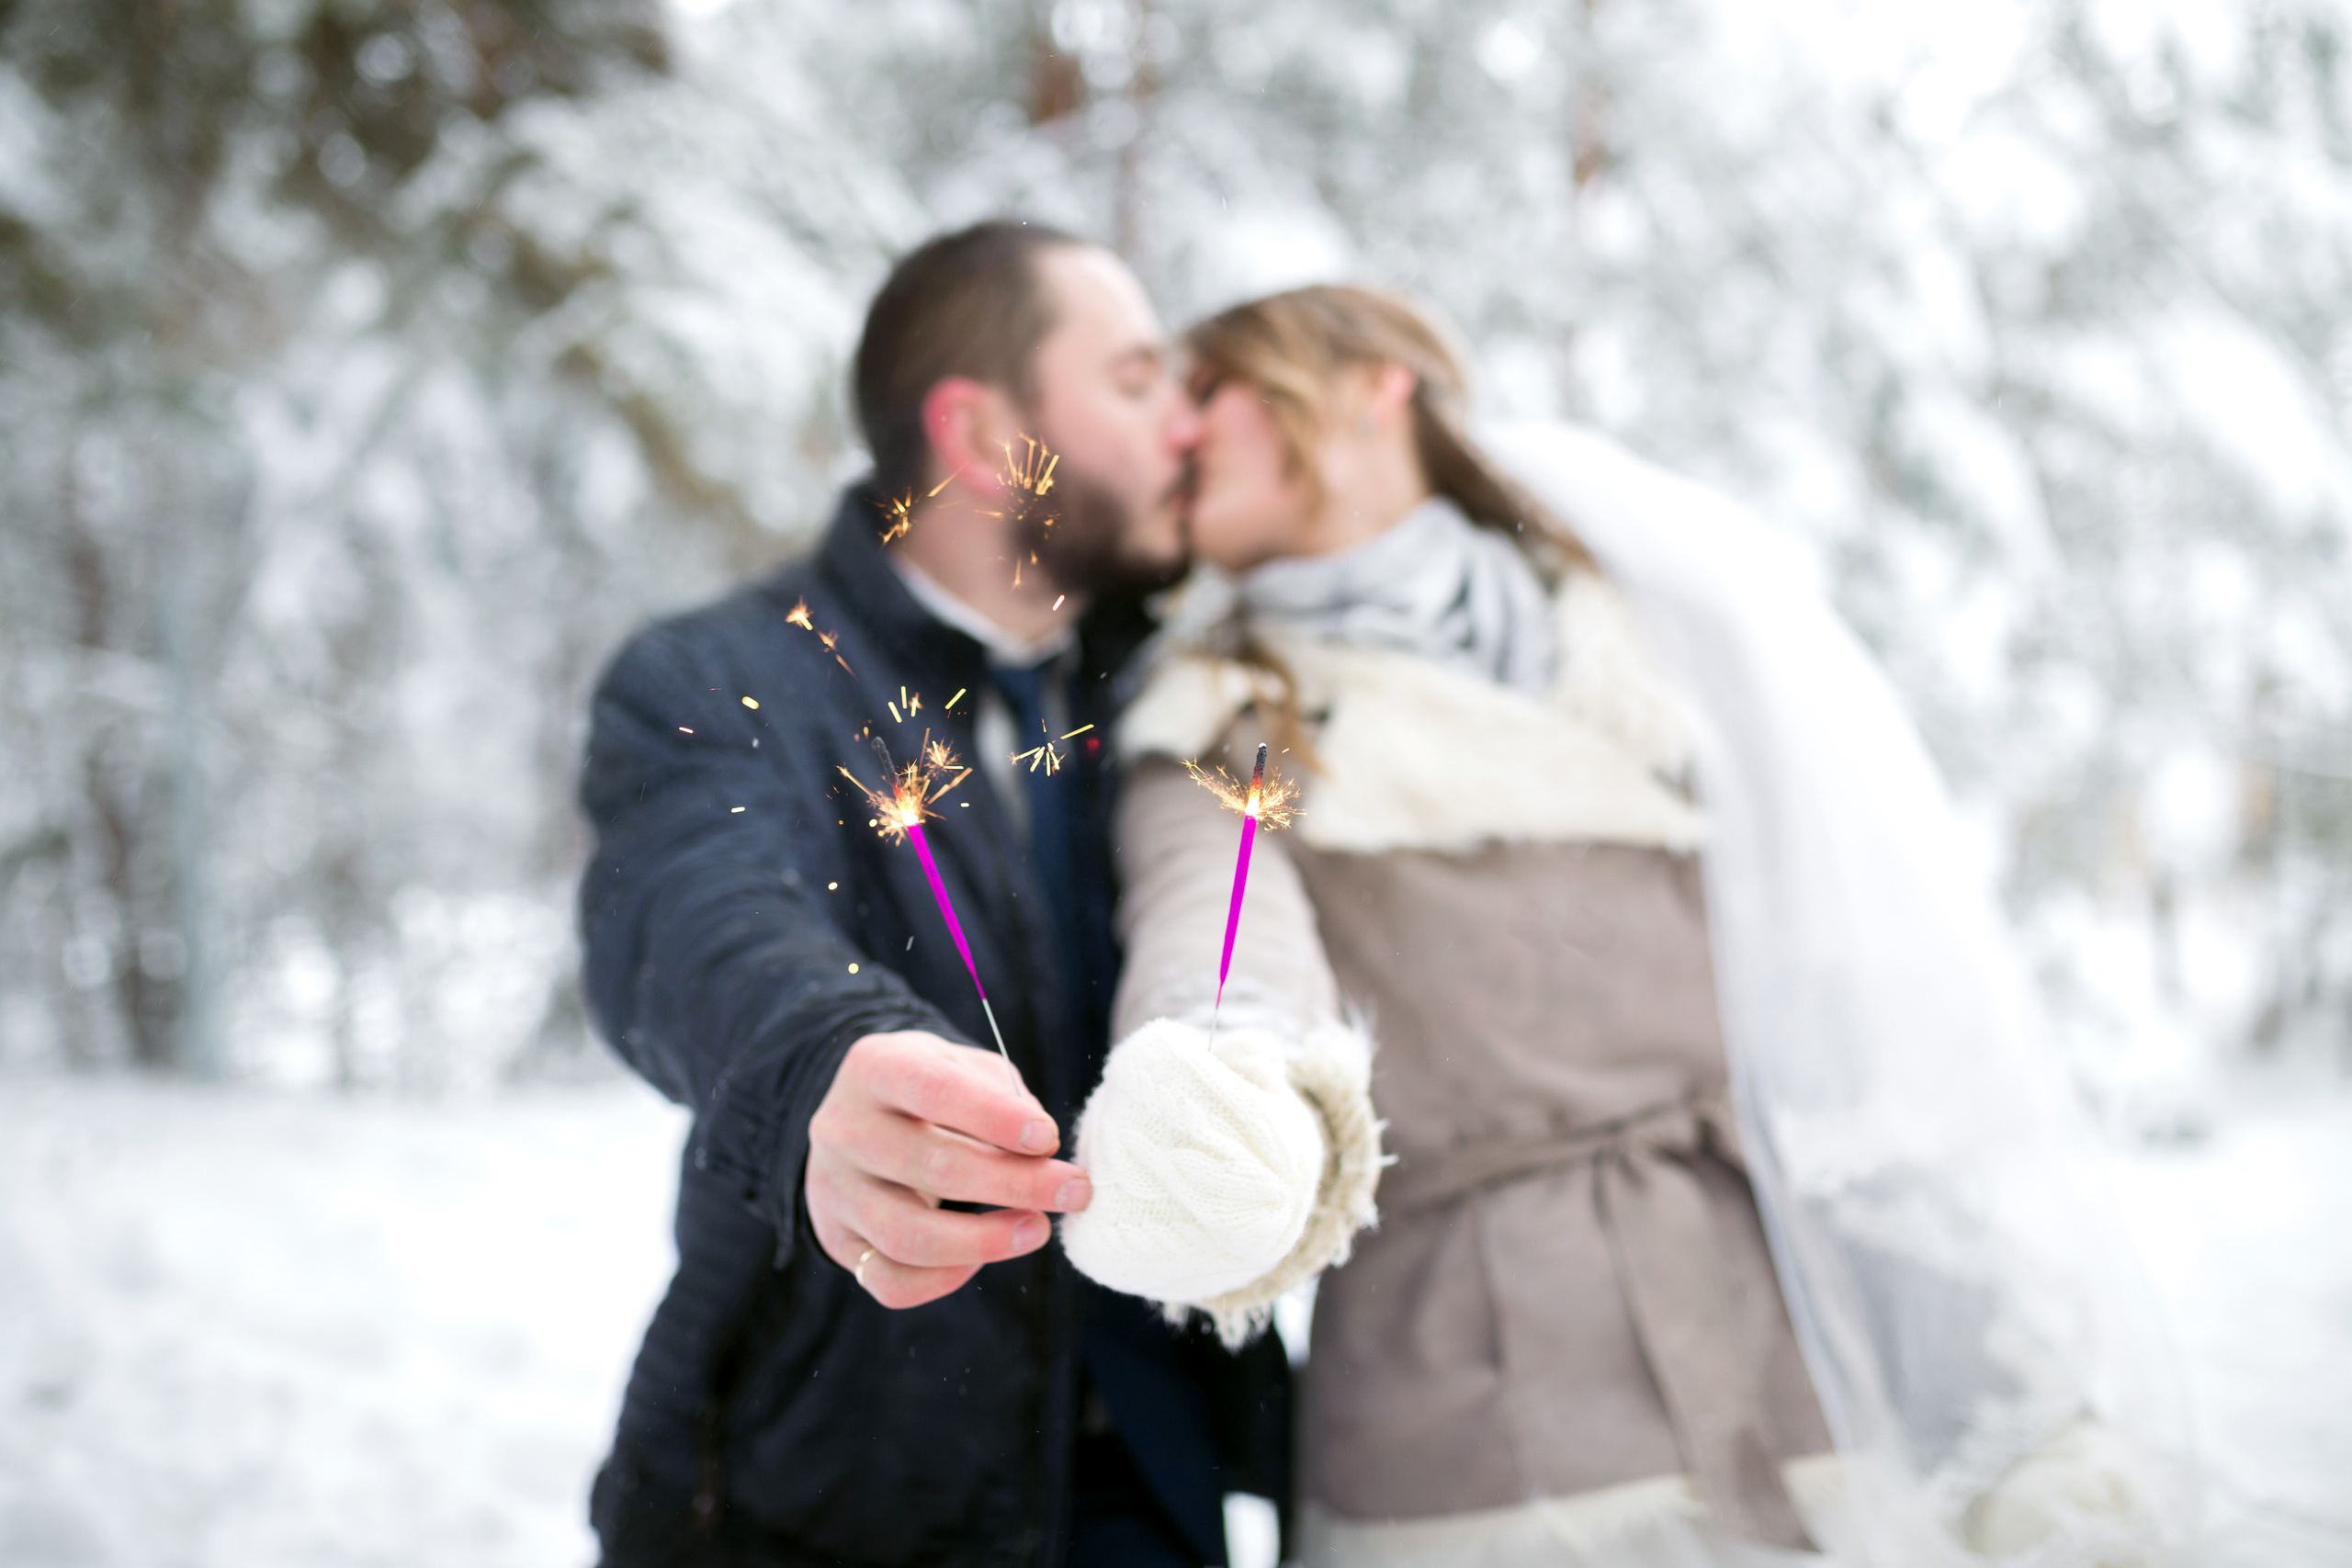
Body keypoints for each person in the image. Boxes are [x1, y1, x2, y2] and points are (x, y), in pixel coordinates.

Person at [1073, 286, 2192, 1566]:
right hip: (1476, 1423)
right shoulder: (1224, 715)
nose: (1176, 429)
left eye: (1212, 388)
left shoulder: (1661, 651)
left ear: (1374, 386)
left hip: (1786, 1370)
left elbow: (1849, 1032)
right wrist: (1220, 1085)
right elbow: (1218, 943)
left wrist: (2007, 1389)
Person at [575, 220, 1288, 1568]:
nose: (1185, 425)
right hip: (838, 1497)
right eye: (1136, 382)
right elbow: (688, 909)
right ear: (982, 436)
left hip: (1157, 1487)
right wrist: (824, 1059)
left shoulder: (1180, 694)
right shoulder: (726, 679)